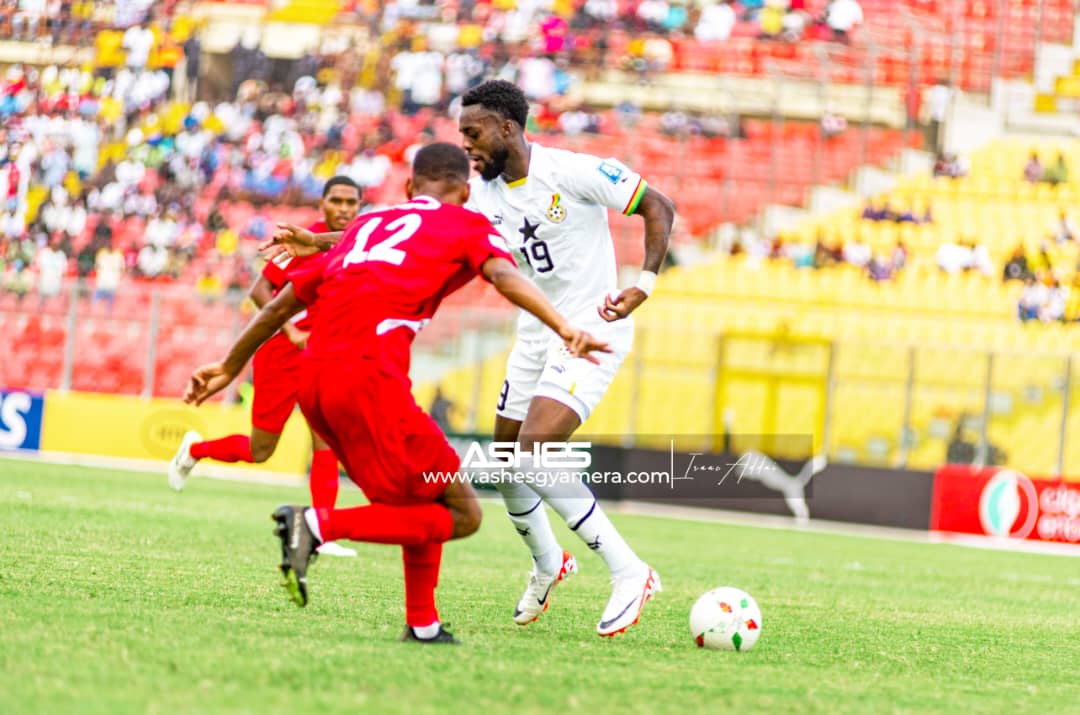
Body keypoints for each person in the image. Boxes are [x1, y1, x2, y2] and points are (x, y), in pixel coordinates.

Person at [184, 143, 610, 644]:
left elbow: (280, 305)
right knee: (464, 514)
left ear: (409, 188)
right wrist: (564, 327)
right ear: (466, 193)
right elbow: (503, 274)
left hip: (314, 380)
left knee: (420, 497)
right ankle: (315, 527)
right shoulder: (465, 224)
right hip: (367, 379)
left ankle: (423, 624)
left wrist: (228, 366)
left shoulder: (369, 225)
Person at [458, 80, 674, 636]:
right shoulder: (482, 195)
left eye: (474, 132)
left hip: (591, 332)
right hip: (535, 338)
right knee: (506, 462)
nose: (467, 145)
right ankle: (549, 563)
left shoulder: (572, 172)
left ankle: (630, 572)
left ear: (508, 128)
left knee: (533, 451)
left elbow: (656, 204)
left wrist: (643, 284)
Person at [168, 176, 362, 558]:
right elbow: (261, 289)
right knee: (261, 450)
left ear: (359, 205)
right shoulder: (306, 239)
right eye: (336, 200)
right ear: (322, 203)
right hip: (281, 355)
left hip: (324, 355)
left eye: (351, 202)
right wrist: (290, 329)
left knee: (326, 439)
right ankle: (196, 450)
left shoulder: (358, 241)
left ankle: (322, 531)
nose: (343, 208)